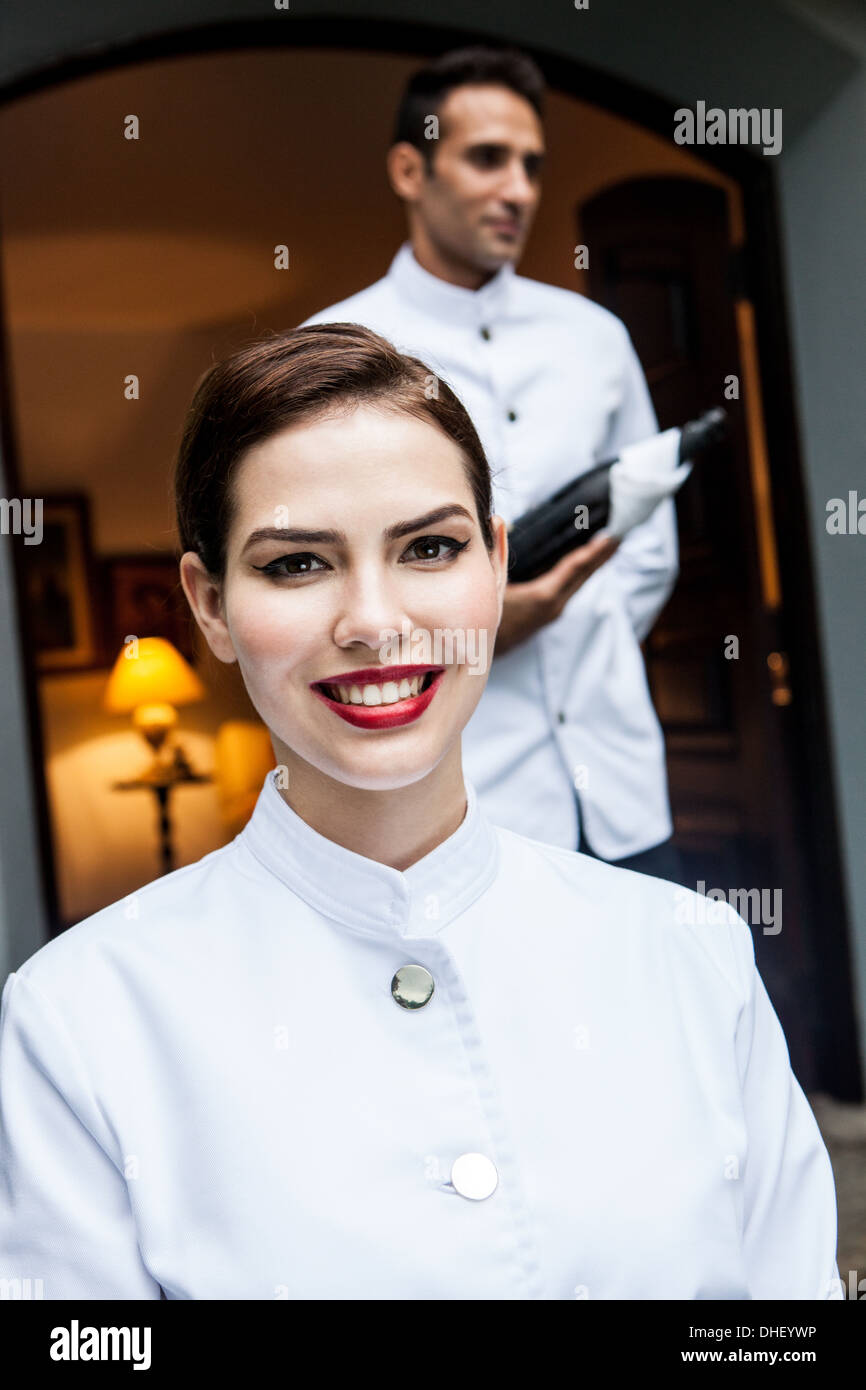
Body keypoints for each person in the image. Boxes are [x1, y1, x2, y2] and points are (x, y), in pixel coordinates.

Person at [0, 325, 841, 1299]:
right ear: (210, 606)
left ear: (492, 566)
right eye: (296, 564)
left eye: (429, 548)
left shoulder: (692, 955)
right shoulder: (78, 1020)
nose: (372, 621)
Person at [301, 46, 684, 881]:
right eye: (486, 159)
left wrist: (583, 621)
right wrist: (474, 633)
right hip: (460, 807)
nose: (517, 189)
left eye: (531, 165)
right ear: (411, 168)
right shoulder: (336, 355)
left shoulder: (595, 338)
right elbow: (325, 573)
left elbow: (649, 544)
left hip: (623, 786)